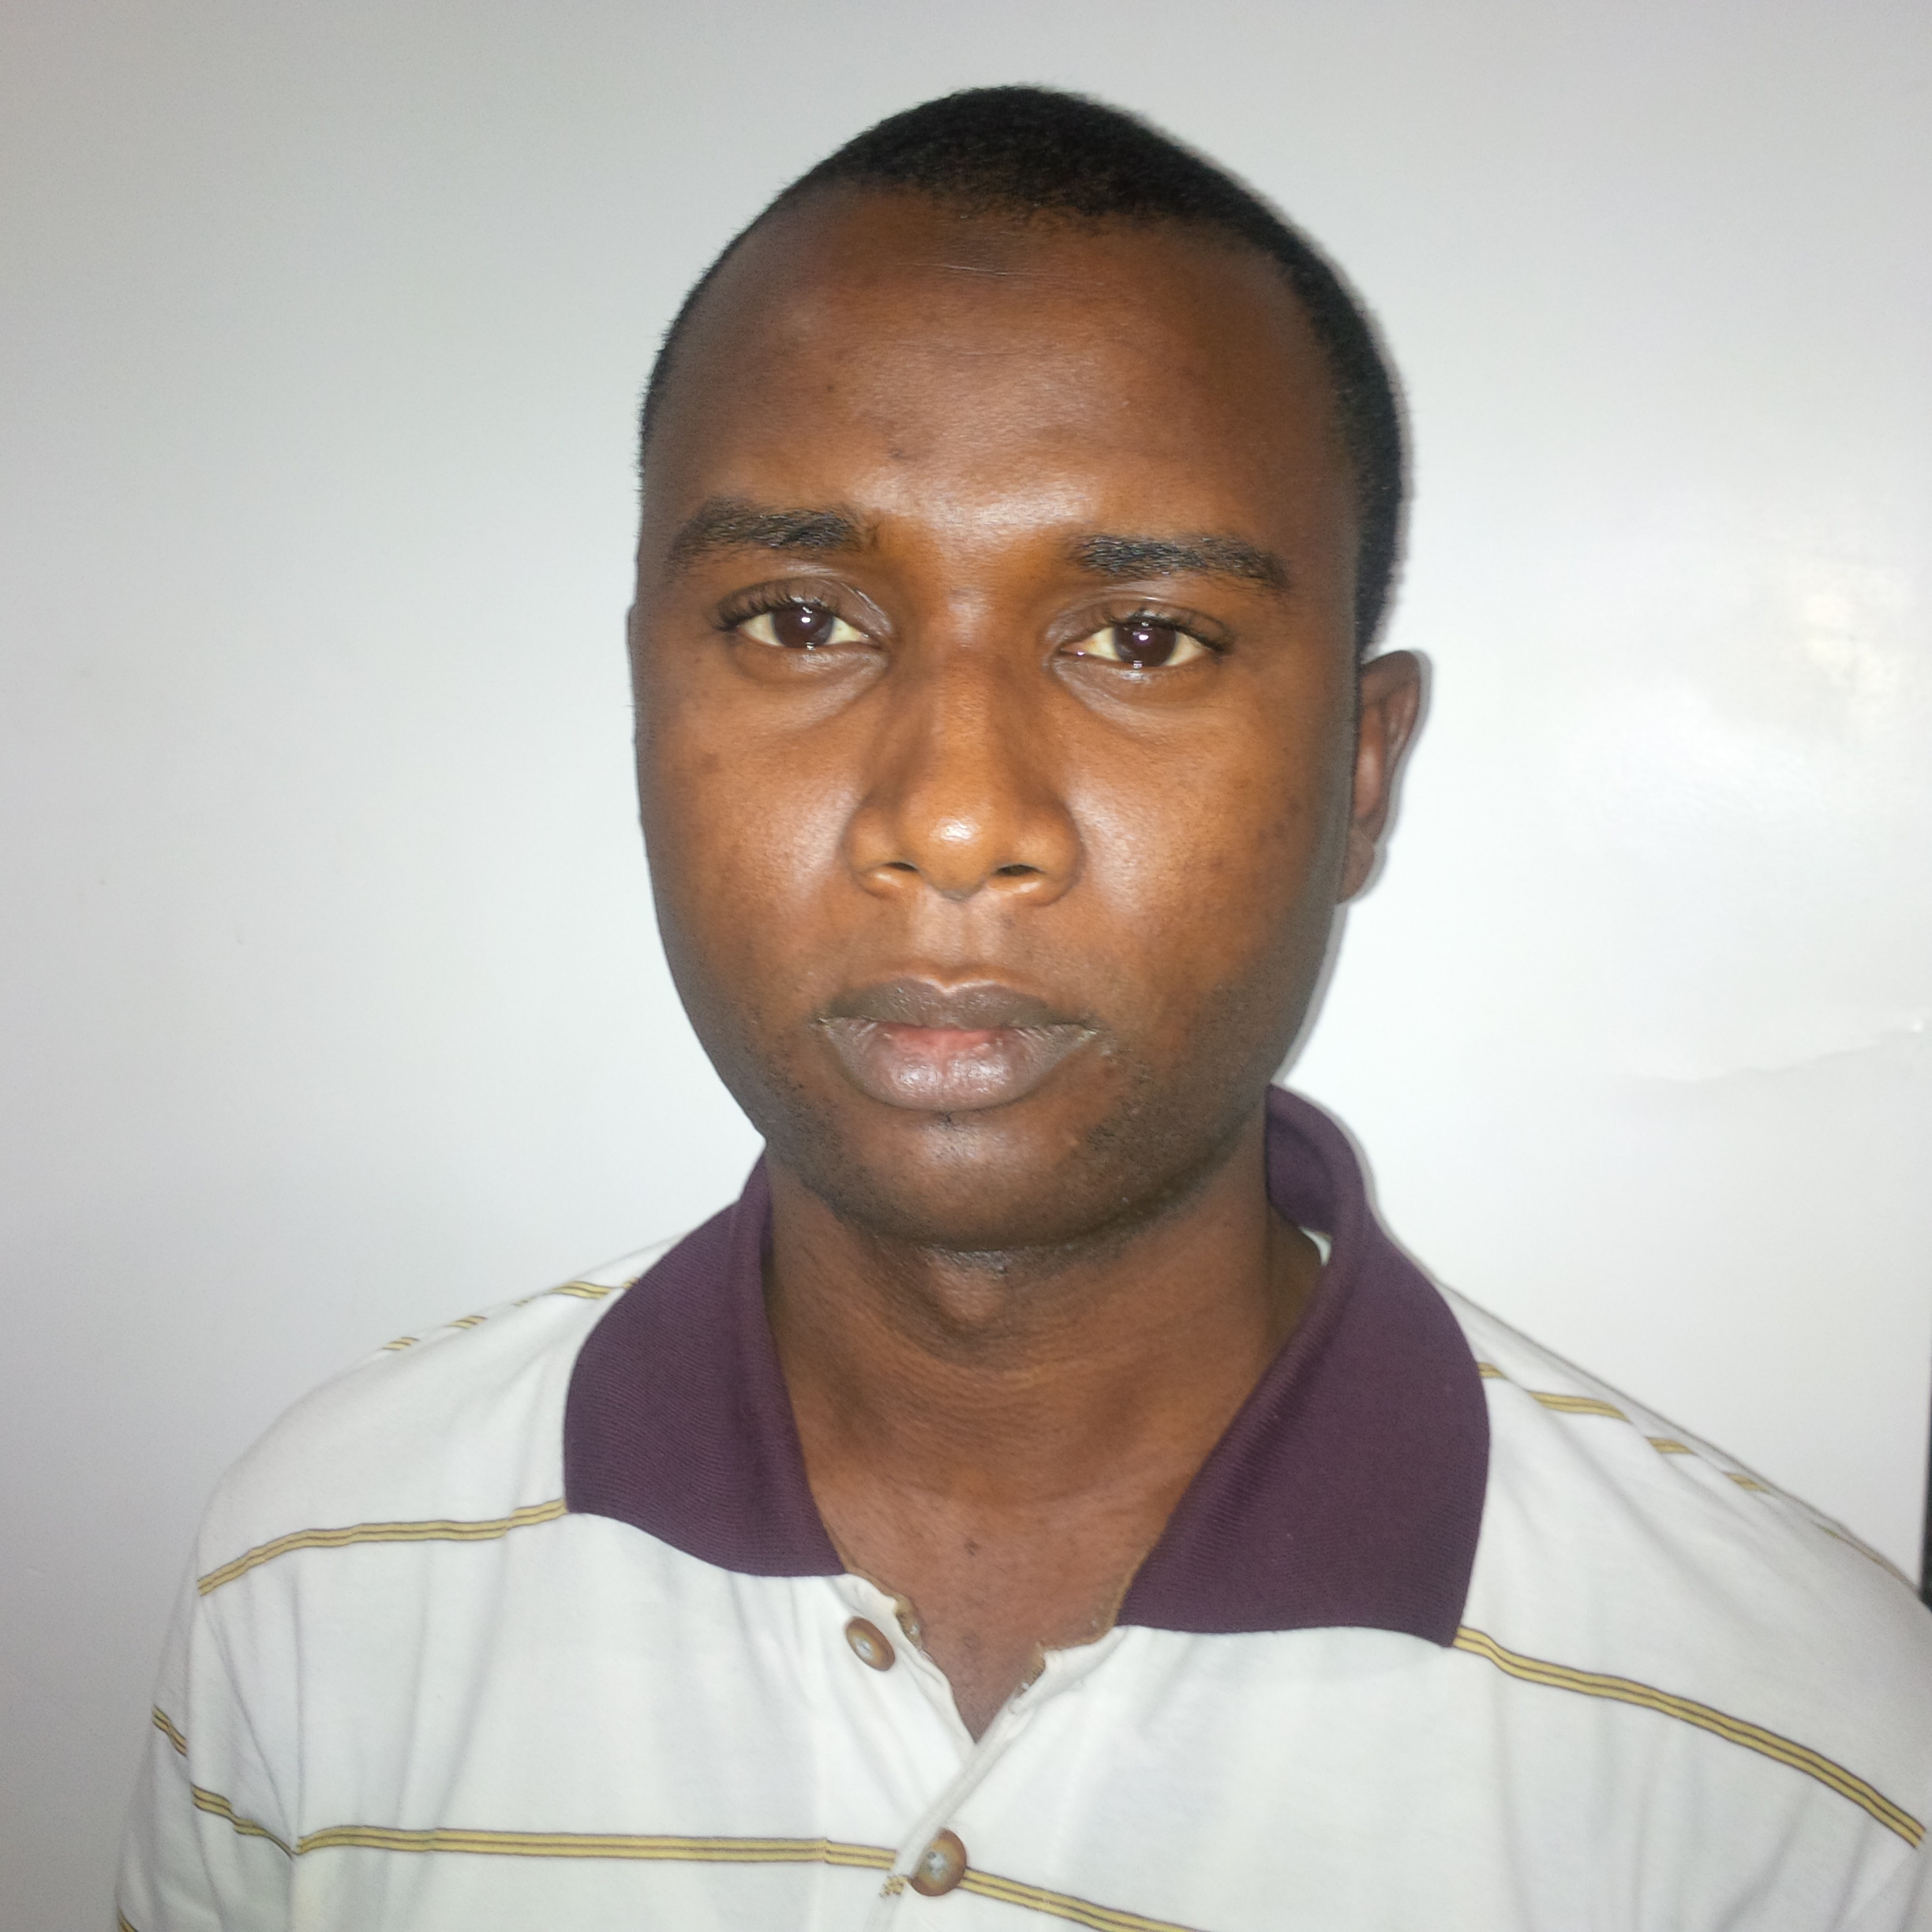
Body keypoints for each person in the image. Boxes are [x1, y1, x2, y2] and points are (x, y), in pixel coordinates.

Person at [118, 85, 1932, 1932]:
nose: (957, 817)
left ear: (1361, 776)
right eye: (800, 620)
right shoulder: (319, 1581)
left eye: (1144, 639)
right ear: (645, 716)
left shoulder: (1805, 1765)